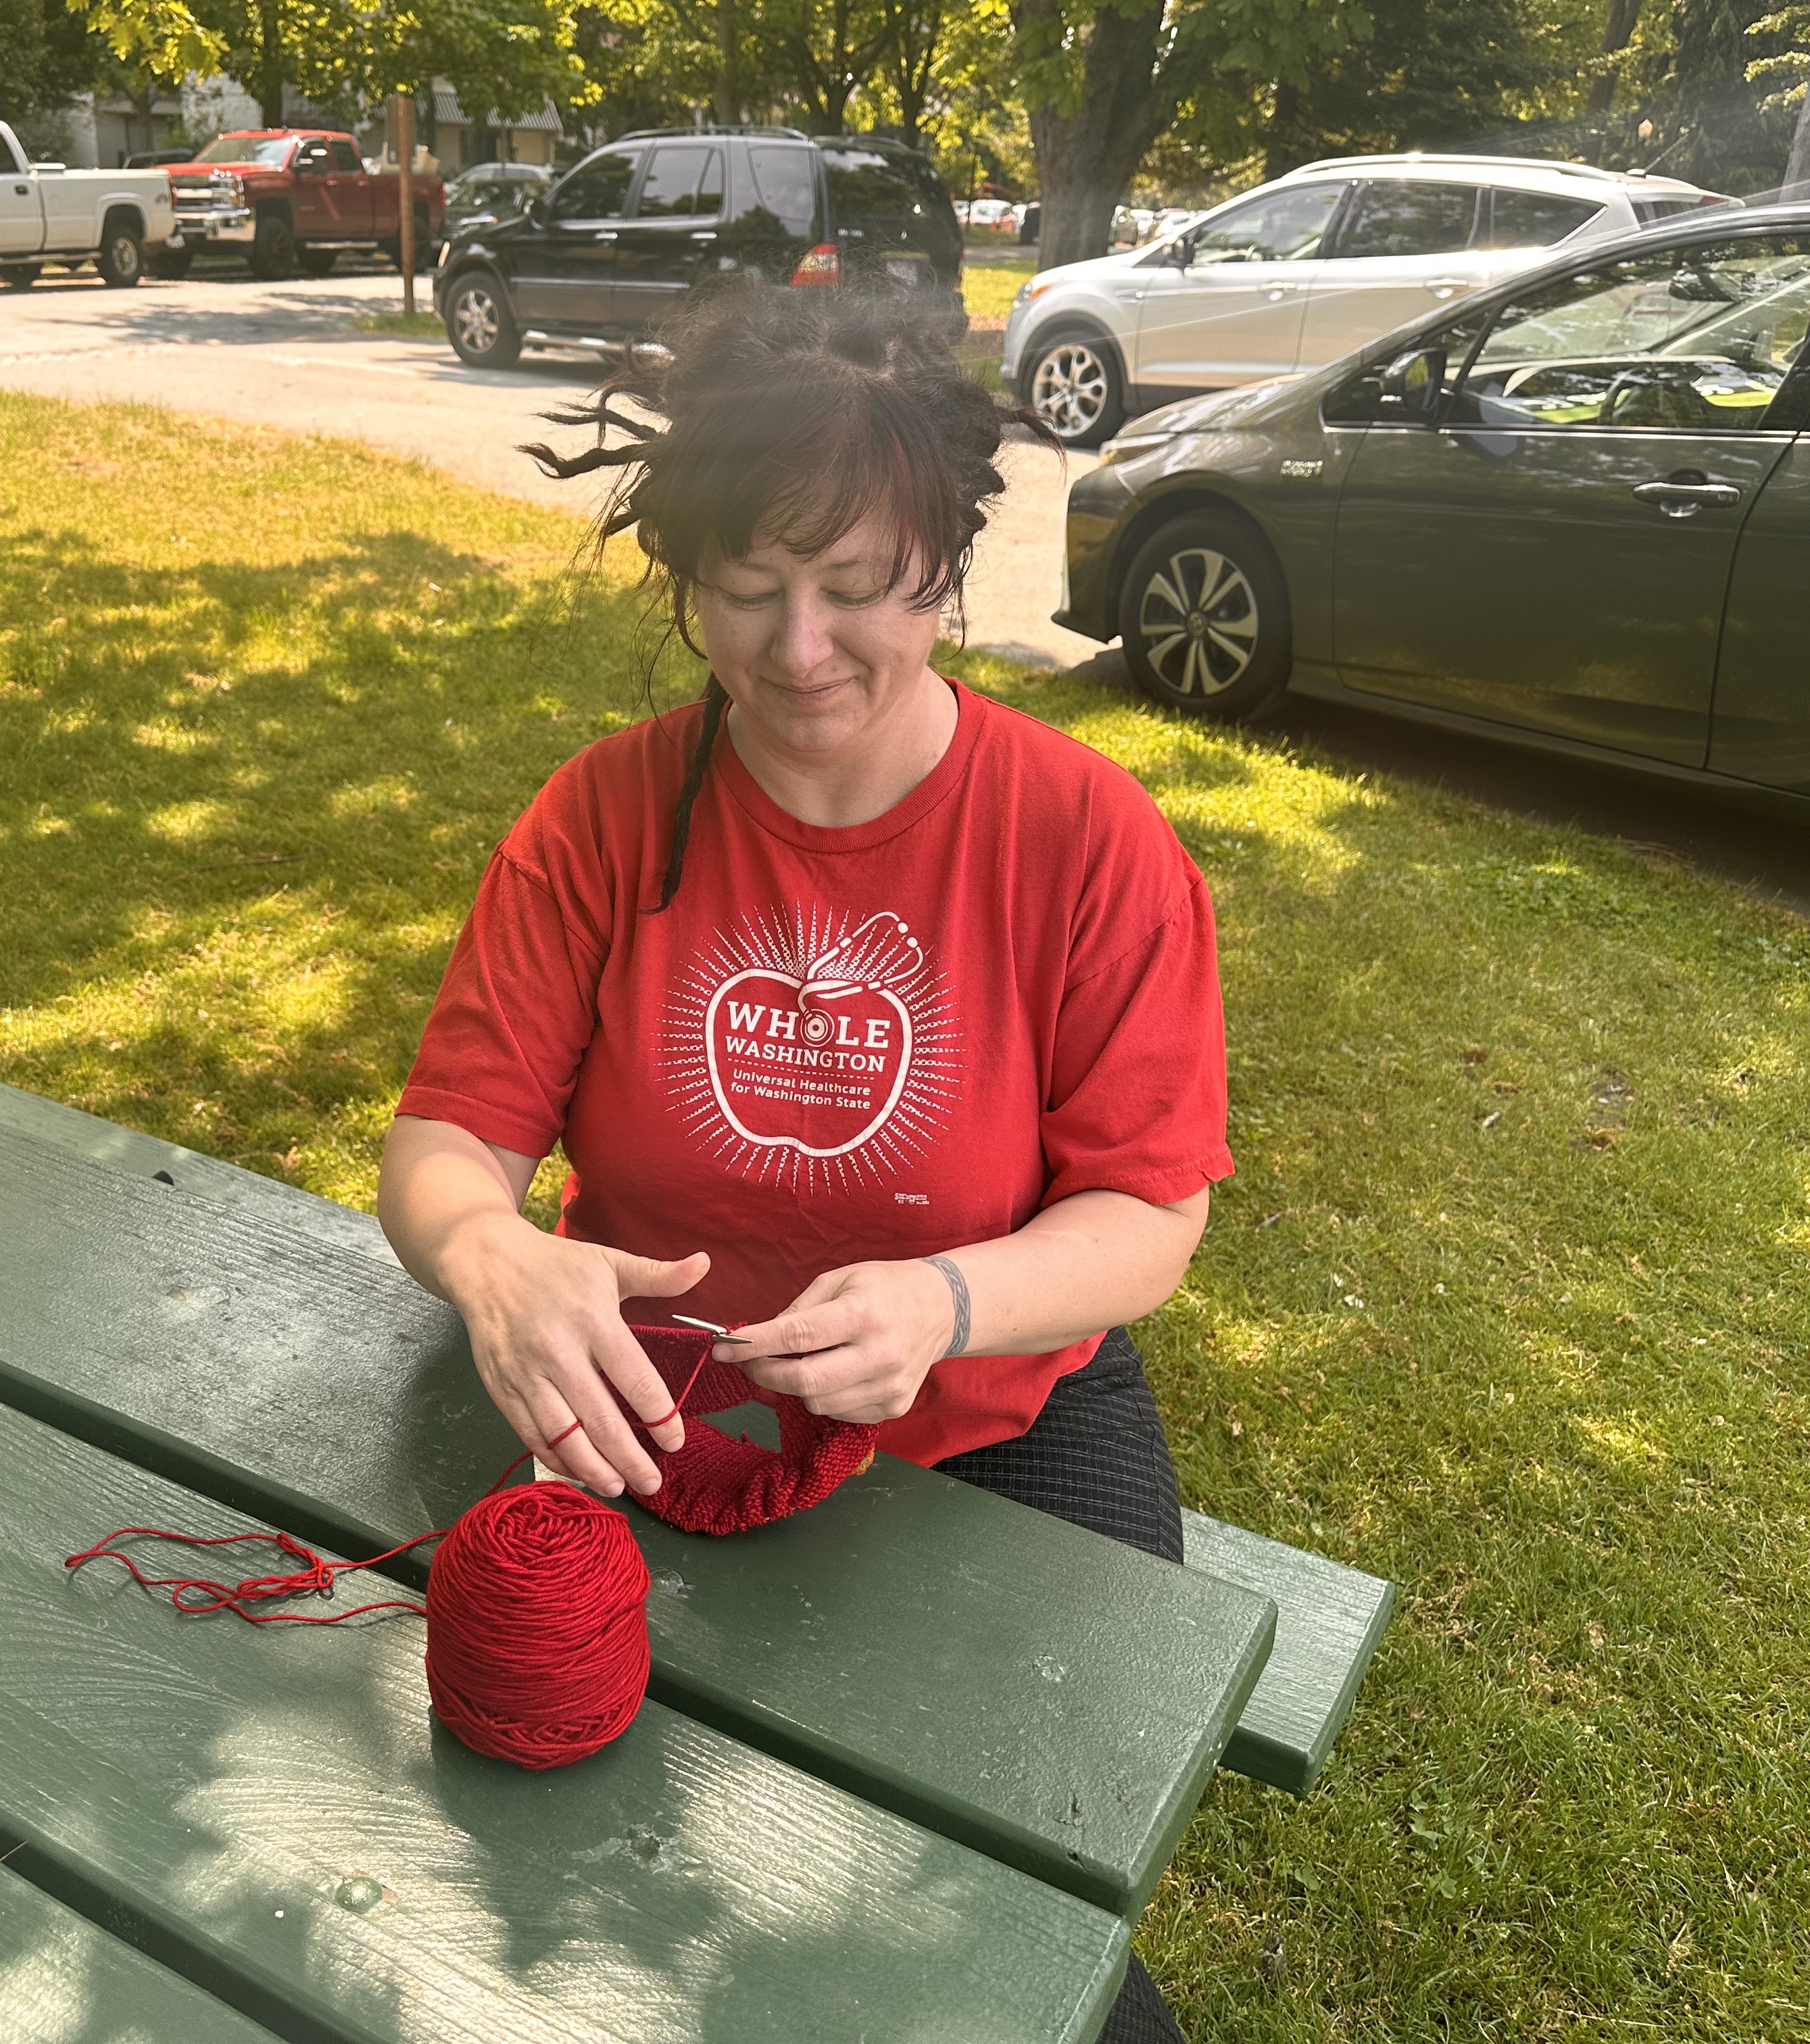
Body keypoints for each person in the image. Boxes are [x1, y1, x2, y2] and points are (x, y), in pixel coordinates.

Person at [377, 278, 1230, 2043]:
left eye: (855, 591)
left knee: (1003, 1896)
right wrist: (491, 1259)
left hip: (992, 1418)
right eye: (746, 594)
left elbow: (1150, 1212)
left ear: (946, 569)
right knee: (578, 1860)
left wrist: (949, 1297)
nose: (797, 651)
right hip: (648, 1400)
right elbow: (450, 1143)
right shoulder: (605, 818)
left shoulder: (1083, 843)